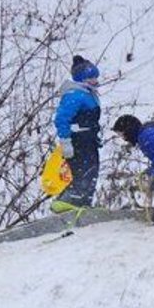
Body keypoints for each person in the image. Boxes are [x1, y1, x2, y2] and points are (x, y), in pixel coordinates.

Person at [50, 55, 102, 212]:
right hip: (78, 139)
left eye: (95, 77)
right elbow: (61, 119)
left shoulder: (88, 94)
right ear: (82, 79)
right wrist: (65, 140)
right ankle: (70, 199)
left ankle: (84, 200)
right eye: (91, 78)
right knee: (82, 170)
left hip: (89, 138)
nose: (95, 81)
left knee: (92, 169)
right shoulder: (74, 94)